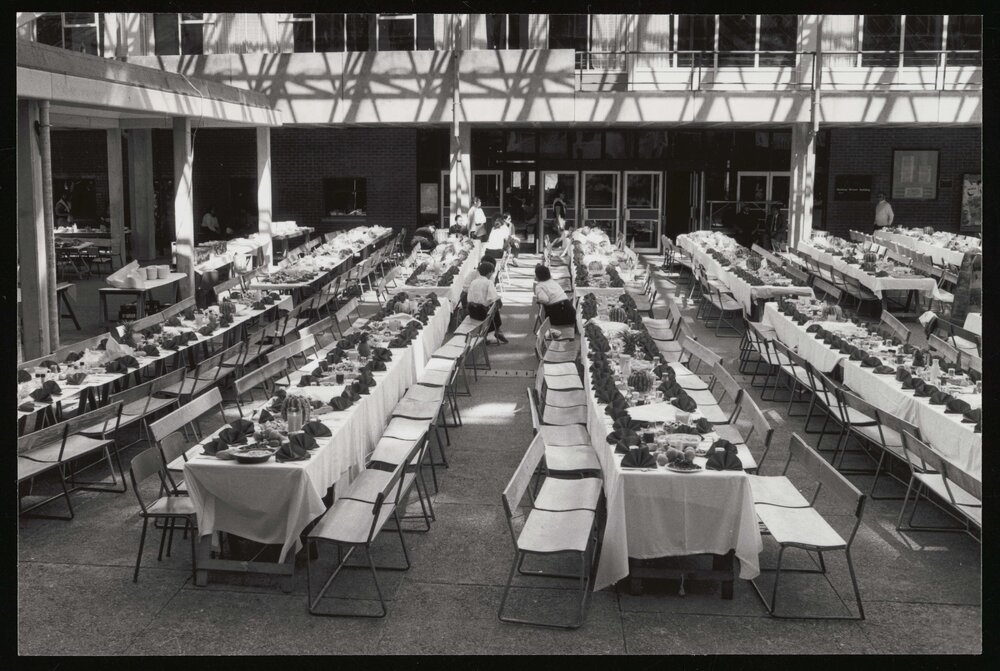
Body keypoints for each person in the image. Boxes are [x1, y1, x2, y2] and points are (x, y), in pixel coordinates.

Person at [467, 260, 507, 344]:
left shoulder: (473, 282)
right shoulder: (489, 282)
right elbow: (493, 297)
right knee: (494, 307)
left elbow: (469, 297)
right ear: (490, 273)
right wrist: (498, 302)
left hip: (472, 311)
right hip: (482, 313)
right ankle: (497, 330)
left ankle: (491, 333)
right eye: (492, 273)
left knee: (490, 306)